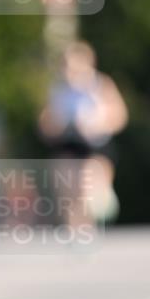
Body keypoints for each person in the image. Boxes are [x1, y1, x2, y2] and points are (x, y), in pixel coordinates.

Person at [38, 41, 128, 228]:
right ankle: (76, 231)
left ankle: (100, 201)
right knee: (67, 188)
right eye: (67, 66)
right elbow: (44, 126)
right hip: (69, 143)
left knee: (86, 188)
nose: (71, 71)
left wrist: (99, 124)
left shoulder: (101, 85)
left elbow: (121, 117)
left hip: (96, 145)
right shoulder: (58, 90)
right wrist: (56, 124)